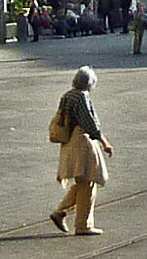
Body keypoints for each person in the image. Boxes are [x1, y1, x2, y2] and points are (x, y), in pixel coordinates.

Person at [50, 66, 113, 237]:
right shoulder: (82, 97)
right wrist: (105, 143)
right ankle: (83, 224)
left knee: (82, 183)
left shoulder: (67, 95)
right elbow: (91, 124)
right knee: (89, 182)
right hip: (82, 143)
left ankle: (61, 212)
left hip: (69, 142)